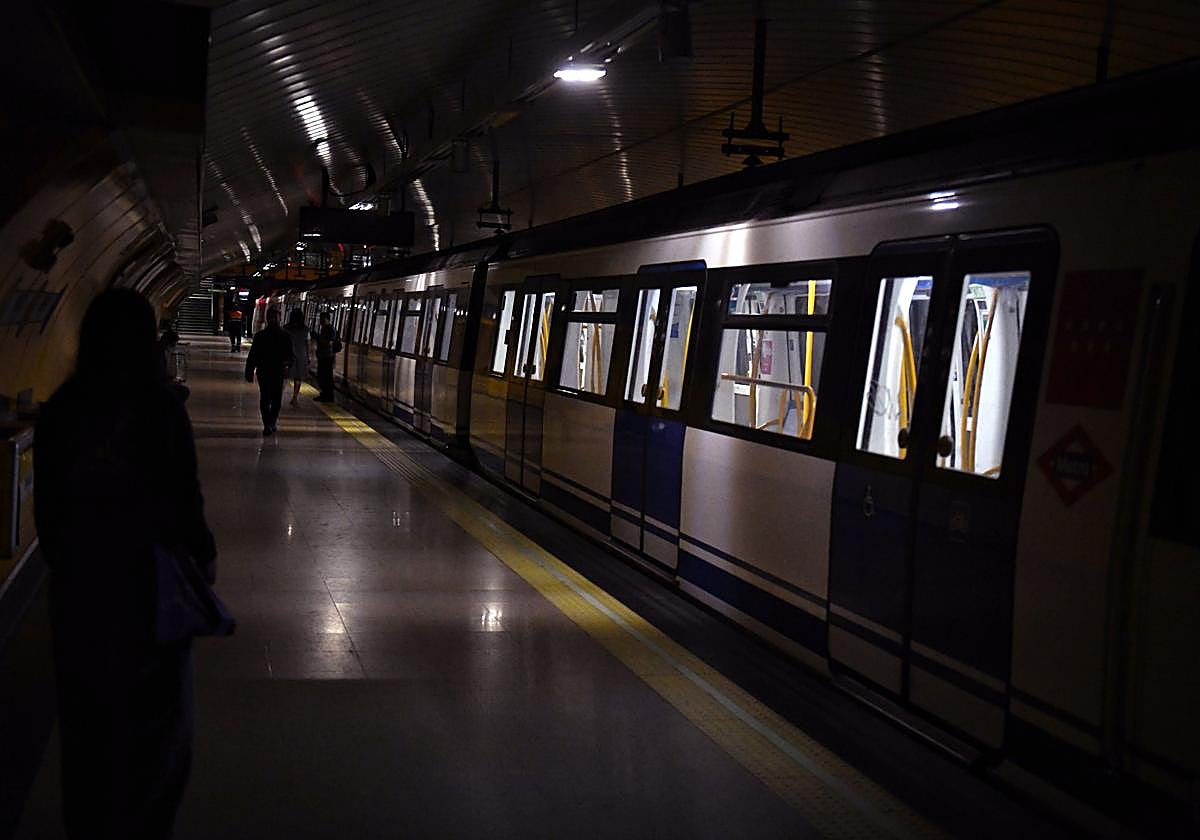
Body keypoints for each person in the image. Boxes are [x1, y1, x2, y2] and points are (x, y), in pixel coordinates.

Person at [34, 288, 217, 839]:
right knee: (158, 742)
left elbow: (50, 519)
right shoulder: (161, 410)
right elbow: (187, 505)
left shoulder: (62, 412)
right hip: (150, 599)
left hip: (80, 602)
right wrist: (201, 562)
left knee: (87, 737)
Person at [244, 307, 293, 435]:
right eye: (272, 317)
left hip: (265, 371)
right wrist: (288, 366)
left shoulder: (260, 336)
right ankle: (270, 423)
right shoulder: (285, 336)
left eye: (273, 317)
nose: (273, 320)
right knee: (275, 398)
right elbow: (290, 355)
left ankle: (268, 424)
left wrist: (249, 371)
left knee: (266, 398)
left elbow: (253, 355)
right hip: (276, 372)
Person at [283, 308, 310, 406]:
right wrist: (308, 357)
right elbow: (307, 343)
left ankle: (279, 396)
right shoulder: (305, 330)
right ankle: (295, 398)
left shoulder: (286, 328)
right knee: (298, 378)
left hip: (287, 355)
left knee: (284, 377)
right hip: (301, 356)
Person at [312, 311, 340, 402]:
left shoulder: (330, 329)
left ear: (326, 319)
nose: (320, 321)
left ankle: (328, 395)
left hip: (327, 356)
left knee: (326, 376)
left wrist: (318, 337)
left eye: (321, 319)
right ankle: (324, 394)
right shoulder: (324, 328)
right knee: (322, 375)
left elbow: (329, 343)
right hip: (323, 356)